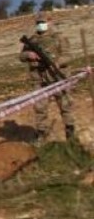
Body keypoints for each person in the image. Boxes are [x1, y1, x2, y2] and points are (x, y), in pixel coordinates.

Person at [19, 12, 76, 142]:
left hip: (57, 78)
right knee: (40, 108)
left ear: (50, 22)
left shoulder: (59, 38)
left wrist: (56, 63)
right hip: (40, 80)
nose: (41, 25)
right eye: (38, 23)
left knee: (65, 106)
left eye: (43, 22)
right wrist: (29, 55)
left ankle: (70, 133)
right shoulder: (32, 40)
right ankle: (41, 134)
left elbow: (68, 55)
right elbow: (21, 57)